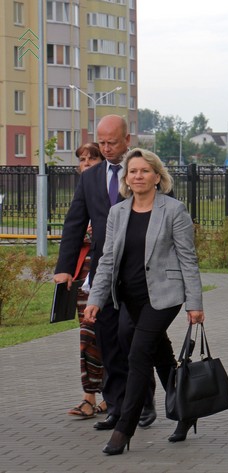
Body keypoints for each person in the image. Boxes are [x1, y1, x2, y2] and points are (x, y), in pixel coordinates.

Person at [84, 148, 205, 454]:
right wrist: (95, 299)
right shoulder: (118, 213)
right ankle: (185, 410)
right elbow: (108, 259)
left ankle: (124, 430)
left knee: (138, 354)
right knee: (159, 354)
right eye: (133, 171)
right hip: (129, 296)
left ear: (157, 177)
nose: (137, 176)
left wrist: (195, 303)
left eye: (144, 171)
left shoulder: (173, 210)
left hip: (164, 296)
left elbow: (188, 260)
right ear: (127, 178)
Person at [55, 115, 157, 431]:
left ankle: (144, 402)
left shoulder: (141, 172)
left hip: (139, 274)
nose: (106, 148)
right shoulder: (90, 179)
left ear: (127, 140)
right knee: (107, 340)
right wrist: (64, 270)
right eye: (101, 142)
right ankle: (115, 406)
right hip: (103, 273)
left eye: (112, 142)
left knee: (135, 340)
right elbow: (74, 224)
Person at [67, 142, 105, 419]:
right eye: (82, 159)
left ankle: (116, 395)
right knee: (87, 333)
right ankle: (88, 396)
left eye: (93, 158)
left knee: (115, 336)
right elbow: (74, 227)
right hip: (85, 276)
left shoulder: (113, 189)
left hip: (111, 273)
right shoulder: (83, 192)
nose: (87, 163)